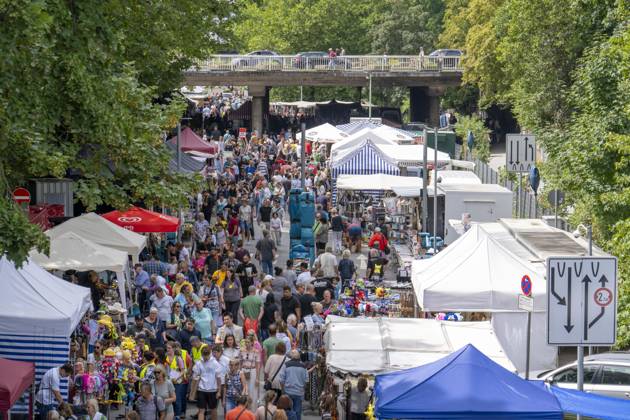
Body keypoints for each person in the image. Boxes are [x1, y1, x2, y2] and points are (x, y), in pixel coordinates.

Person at [191, 346, 223, 420]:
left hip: (212, 390)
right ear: (202, 354)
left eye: (207, 356)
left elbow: (219, 378)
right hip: (201, 390)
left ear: (210, 354)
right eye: (204, 356)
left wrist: (219, 391)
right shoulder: (199, 363)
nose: (205, 358)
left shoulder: (215, 363)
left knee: (213, 410)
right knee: (201, 410)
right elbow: (195, 378)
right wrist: (192, 392)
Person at [279, 350, 308, 420]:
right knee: (297, 412)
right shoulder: (304, 366)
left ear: (291, 356)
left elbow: (281, 379)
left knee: (287, 411)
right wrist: (303, 389)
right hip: (299, 392)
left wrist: (283, 391)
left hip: (288, 391)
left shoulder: (286, 365)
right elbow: (306, 380)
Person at [239, 330, 261, 409]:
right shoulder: (241, 351)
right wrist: (240, 372)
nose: (247, 344)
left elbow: (258, 366)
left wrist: (258, 378)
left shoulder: (256, 352)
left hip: (253, 371)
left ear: (252, 343)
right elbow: (240, 363)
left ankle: (253, 410)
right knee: (244, 391)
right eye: (246, 342)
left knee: (253, 391)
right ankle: (244, 409)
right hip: (244, 371)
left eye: (248, 342)